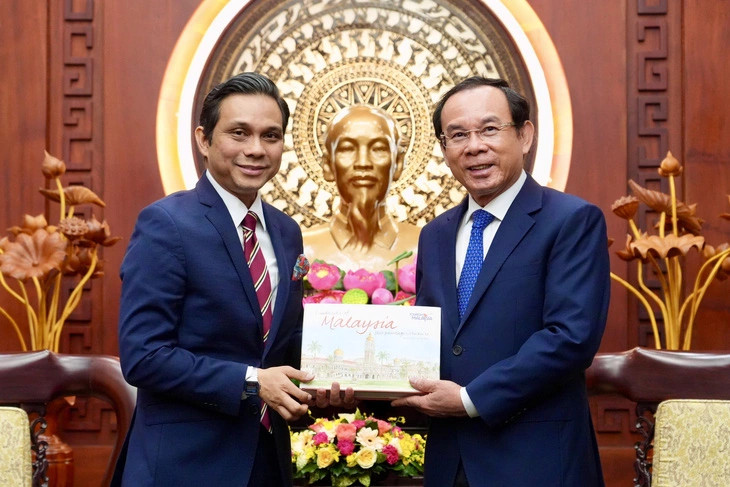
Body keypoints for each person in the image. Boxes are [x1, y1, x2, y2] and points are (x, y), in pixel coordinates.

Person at [113, 72, 351, 487]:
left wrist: (333, 380)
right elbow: (144, 356)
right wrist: (254, 382)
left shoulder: (285, 231)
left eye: (270, 136)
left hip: (265, 460)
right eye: (239, 133)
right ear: (204, 140)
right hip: (183, 465)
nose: (256, 150)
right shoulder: (166, 223)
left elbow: (281, 344)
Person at [392, 77, 610, 486]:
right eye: (457, 135)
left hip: (536, 462)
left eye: (489, 129)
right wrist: (368, 381)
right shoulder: (435, 235)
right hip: (450, 462)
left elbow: (570, 338)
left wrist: (469, 400)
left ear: (525, 136)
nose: (474, 146)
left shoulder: (570, 221)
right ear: (444, 149)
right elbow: (431, 340)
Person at [303, 104, 420, 271]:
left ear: (398, 164)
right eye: (347, 148)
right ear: (328, 165)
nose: (363, 163)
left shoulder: (425, 248)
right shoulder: (303, 249)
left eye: (378, 148)